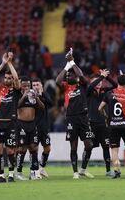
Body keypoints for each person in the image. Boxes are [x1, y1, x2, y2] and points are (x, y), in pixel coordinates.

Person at [56, 49, 94, 179]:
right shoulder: (66, 87)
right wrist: (66, 67)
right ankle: (75, 172)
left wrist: (72, 62)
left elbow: (82, 76)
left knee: (89, 144)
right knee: (74, 146)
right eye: (67, 76)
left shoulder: (82, 85)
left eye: (70, 75)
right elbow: (57, 81)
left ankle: (83, 169)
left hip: (83, 117)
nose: (67, 77)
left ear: (75, 77)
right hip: (71, 118)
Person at [0, 52, 20, 183]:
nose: (7, 79)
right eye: (6, 78)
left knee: (10, 151)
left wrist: (9, 62)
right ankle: (1, 175)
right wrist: (3, 63)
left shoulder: (16, 90)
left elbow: (16, 77)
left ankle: (11, 174)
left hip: (11, 123)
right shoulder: (0, 88)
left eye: (9, 78)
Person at [87, 69, 117, 177]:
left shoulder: (105, 91)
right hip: (92, 123)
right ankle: (83, 169)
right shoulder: (89, 91)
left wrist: (106, 76)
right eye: (96, 81)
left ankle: (108, 170)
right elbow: (91, 86)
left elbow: (115, 85)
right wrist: (100, 77)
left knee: (105, 147)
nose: (99, 82)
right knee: (89, 146)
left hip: (104, 123)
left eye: (100, 81)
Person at [15, 76, 45, 181]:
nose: (27, 87)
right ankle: (18, 172)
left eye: (28, 85)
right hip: (21, 124)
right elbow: (16, 106)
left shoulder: (33, 95)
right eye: (25, 85)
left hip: (32, 125)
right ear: (21, 86)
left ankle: (33, 172)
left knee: (34, 148)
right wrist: (23, 96)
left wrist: (37, 98)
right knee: (22, 149)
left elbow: (42, 108)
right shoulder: (18, 94)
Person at [32, 78, 53, 178]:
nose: (36, 87)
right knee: (34, 149)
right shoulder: (30, 96)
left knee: (47, 149)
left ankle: (41, 168)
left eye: (37, 85)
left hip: (44, 127)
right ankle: (35, 171)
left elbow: (51, 103)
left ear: (41, 86)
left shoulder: (45, 95)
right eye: (34, 85)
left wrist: (42, 94)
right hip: (34, 127)